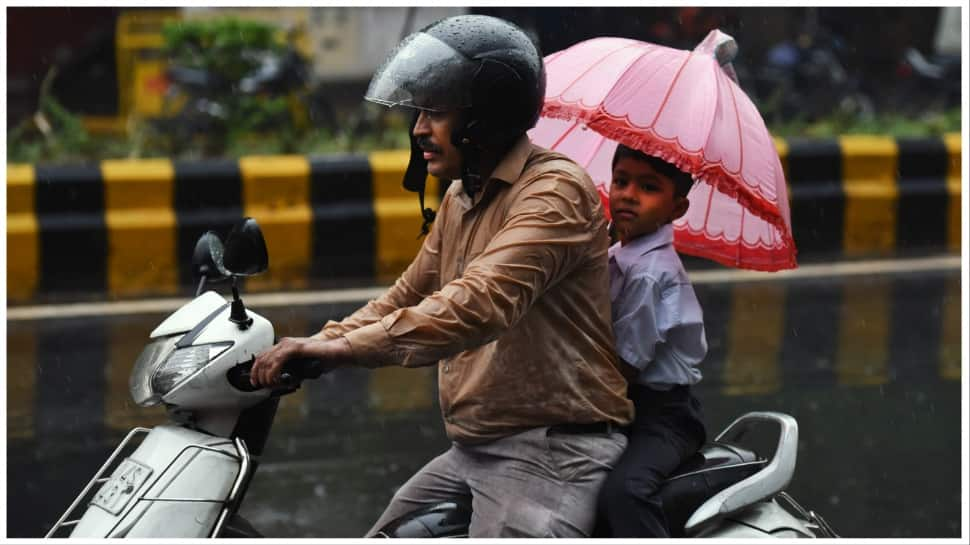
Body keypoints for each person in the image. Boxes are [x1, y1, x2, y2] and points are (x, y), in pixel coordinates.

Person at [248, 15, 633, 538]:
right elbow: (410, 292)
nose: (419, 129)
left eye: (436, 111)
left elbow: (479, 303)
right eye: (419, 111)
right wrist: (322, 342)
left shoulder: (554, 194)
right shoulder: (463, 193)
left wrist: (345, 351)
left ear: (485, 117)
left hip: (553, 450)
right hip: (476, 447)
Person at [595, 144, 708, 537]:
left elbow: (623, 364)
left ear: (677, 208)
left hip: (662, 417)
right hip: (623, 403)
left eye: (648, 187)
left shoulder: (650, 273)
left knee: (624, 492)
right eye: (621, 181)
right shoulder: (616, 253)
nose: (627, 194)